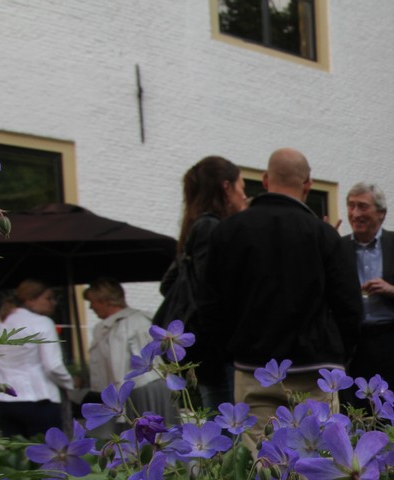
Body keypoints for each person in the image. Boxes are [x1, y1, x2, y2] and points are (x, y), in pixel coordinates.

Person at [199, 148, 361, 433]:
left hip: (253, 369)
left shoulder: (228, 232)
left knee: (261, 456)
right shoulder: (324, 236)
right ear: (308, 185)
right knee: (316, 453)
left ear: (265, 180)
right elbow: (350, 308)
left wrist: (230, 353)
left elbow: (211, 306)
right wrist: (336, 355)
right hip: (315, 371)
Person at [165, 155, 247, 410]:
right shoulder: (210, 228)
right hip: (217, 350)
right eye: (242, 187)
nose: (244, 195)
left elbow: (169, 284)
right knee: (225, 419)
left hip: (209, 348)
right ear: (226, 187)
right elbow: (210, 291)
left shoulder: (195, 226)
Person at [341, 183, 394, 396]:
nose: (355, 213)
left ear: (381, 213)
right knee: (358, 405)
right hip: (356, 345)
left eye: (362, 206)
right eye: (351, 206)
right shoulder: (338, 248)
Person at [83, 277, 177, 432]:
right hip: (129, 391)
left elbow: (119, 365)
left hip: (142, 388)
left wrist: (119, 402)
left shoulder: (133, 323)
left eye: (93, 302)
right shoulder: (107, 327)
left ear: (106, 300)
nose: (91, 307)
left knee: (150, 434)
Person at [0, 280, 72, 437]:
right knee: (47, 449)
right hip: (38, 397)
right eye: (48, 298)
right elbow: (53, 366)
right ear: (31, 300)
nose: (53, 303)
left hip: (3, 398)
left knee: (14, 450)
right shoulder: (42, 322)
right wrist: (70, 383)